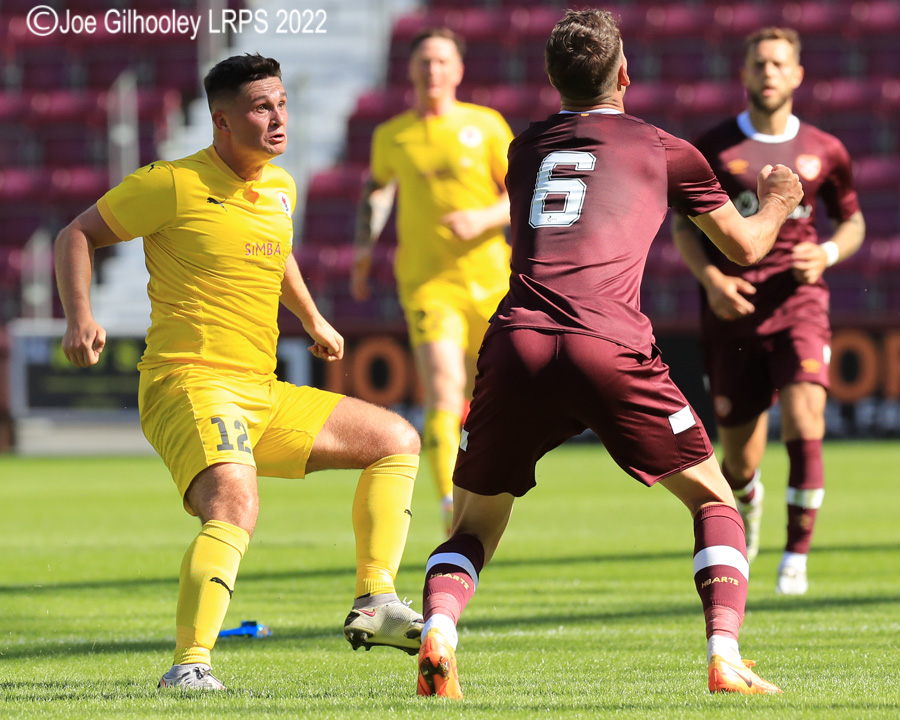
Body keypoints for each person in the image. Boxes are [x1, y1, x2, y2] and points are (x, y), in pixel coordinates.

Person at [414, 9, 805, 699]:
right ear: (625, 73)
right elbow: (746, 245)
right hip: (609, 342)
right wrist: (776, 198)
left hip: (519, 343)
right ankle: (725, 656)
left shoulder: (526, 148)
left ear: (550, 77)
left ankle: (439, 630)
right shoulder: (664, 149)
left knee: (475, 521)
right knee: (715, 500)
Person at [55, 54, 425, 691]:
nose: (279, 117)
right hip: (188, 380)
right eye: (262, 107)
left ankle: (377, 600)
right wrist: (79, 315)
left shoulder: (280, 187)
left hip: (260, 388)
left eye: (282, 102)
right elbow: (76, 235)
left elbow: (277, 256)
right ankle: (189, 665)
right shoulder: (170, 183)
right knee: (234, 501)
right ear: (221, 122)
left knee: (396, 441)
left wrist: (312, 318)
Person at [672, 28, 865, 595]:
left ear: (798, 74)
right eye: (760, 63)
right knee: (739, 463)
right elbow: (683, 226)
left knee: (808, 424)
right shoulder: (713, 147)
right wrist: (710, 280)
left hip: (799, 304)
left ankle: (795, 559)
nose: (769, 72)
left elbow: (851, 220)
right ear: (746, 74)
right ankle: (748, 504)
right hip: (733, 311)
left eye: (780, 63)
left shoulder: (826, 150)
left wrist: (826, 252)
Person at [352, 28, 514, 534]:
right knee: (443, 392)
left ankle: (484, 486)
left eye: (442, 60)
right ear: (411, 70)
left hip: (491, 279)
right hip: (428, 283)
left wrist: (483, 220)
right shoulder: (392, 135)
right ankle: (449, 502)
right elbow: (378, 192)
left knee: (490, 395)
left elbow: (522, 191)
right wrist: (362, 251)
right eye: (424, 60)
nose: (433, 70)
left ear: (459, 70)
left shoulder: (485, 125)